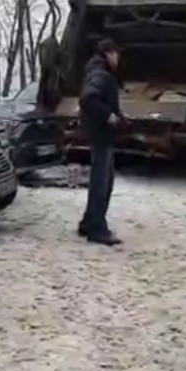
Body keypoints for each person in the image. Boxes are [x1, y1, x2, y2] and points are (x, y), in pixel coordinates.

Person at [77, 39, 125, 246]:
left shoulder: (98, 71)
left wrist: (119, 116)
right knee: (102, 183)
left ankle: (89, 222)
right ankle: (97, 230)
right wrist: (109, 117)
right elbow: (88, 98)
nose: (119, 58)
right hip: (101, 136)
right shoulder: (100, 74)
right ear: (108, 53)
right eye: (116, 53)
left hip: (100, 135)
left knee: (103, 181)